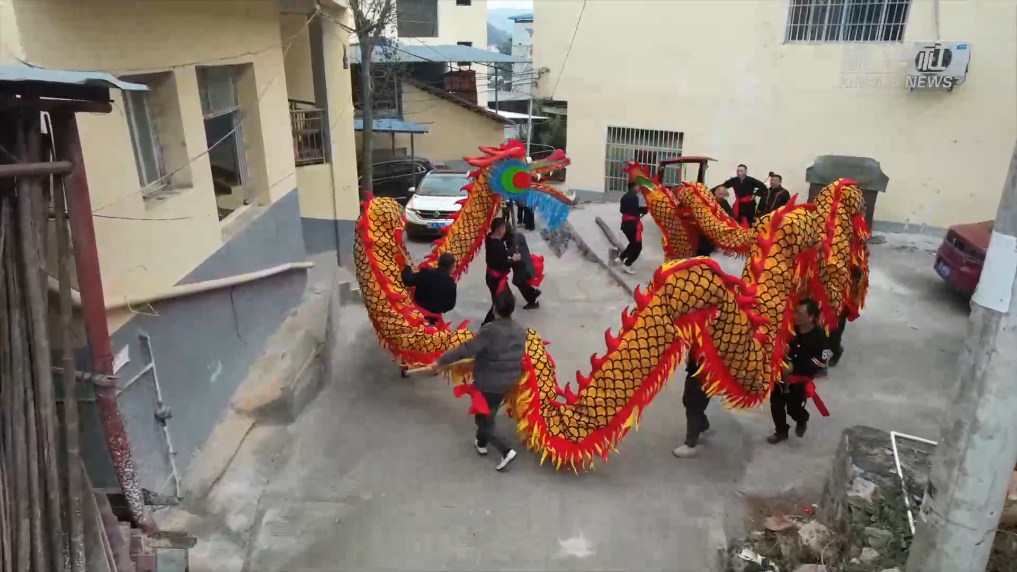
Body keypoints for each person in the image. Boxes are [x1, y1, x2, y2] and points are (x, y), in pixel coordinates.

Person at [436, 289, 525, 471]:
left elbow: (467, 349)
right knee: (489, 411)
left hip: (489, 383)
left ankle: (506, 450)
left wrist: (441, 361)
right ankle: (481, 442)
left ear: (494, 308)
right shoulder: (519, 329)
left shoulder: (490, 330)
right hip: (509, 381)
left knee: (483, 421)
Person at [768, 299, 829, 444]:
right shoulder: (789, 328)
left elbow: (823, 360)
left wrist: (799, 368)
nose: (796, 316)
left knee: (793, 408)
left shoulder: (820, 336)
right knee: (776, 404)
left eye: (800, 314)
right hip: (781, 375)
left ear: (811, 316)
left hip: (799, 379)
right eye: (795, 312)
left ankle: (802, 419)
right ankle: (781, 431)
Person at [401, 253, 457, 326]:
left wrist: (407, 268)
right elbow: (450, 305)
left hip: (416, 313)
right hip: (435, 319)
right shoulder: (451, 283)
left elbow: (408, 281)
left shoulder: (426, 272)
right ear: (451, 267)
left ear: (438, 263)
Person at [482, 219, 520, 325]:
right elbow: (502, 265)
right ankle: (487, 324)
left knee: (502, 300)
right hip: (496, 279)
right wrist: (514, 260)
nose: (505, 230)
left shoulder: (490, 238)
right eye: (504, 228)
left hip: (493, 277)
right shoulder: (496, 245)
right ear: (500, 229)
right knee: (501, 302)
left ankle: (499, 321)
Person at [673, 357, 712, 458]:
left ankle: (691, 445)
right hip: (698, 366)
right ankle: (702, 426)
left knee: (694, 404)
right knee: (690, 400)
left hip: (705, 369)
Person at [614, 180, 648, 275]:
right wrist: (644, 210)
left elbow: (623, 210)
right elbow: (634, 211)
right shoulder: (634, 197)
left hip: (626, 225)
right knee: (638, 247)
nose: (639, 188)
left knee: (633, 243)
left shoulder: (624, 197)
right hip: (633, 225)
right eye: (637, 186)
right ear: (633, 188)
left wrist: (642, 210)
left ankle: (621, 258)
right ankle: (627, 264)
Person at [506, 229, 541, 310]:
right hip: (525, 263)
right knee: (520, 282)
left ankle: (532, 300)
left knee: (518, 281)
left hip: (521, 266)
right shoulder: (519, 236)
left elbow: (512, 251)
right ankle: (533, 292)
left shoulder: (513, 242)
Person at [695, 186, 735, 257]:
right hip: (707, 226)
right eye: (720, 194)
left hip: (719, 228)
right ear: (715, 193)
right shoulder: (708, 200)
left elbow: (731, 214)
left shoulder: (724, 202)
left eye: (723, 195)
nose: (721, 196)